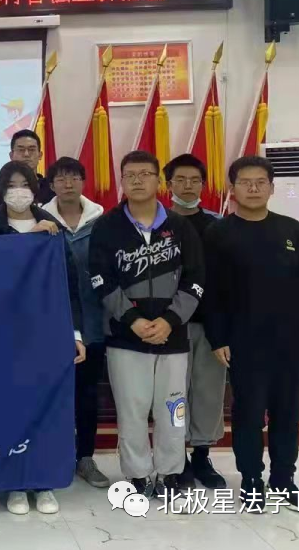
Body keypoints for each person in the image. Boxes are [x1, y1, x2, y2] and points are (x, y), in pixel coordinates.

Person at [204, 156, 299, 513]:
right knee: (248, 414)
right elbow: (211, 292)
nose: (254, 188)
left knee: (288, 414)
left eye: (261, 182)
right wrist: (217, 337)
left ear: (272, 188)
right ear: (232, 189)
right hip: (244, 342)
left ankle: (284, 479)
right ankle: (251, 481)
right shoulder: (219, 234)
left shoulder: (292, 230)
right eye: (245, 182)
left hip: (292, 341)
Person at [88, 151, 204, 499]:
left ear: (159, 181)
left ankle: (170, 472)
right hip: (125, 337)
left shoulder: (180, 227)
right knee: (132, 409)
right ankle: (137, 473)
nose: (137, 180)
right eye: (130, 175)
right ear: (122, 181)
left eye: (145, 174)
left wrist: (170, 320)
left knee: (173, 409)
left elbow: (196, 279)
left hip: (173, 336)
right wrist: (133, 320)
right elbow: (100, 280)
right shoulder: (107, 226)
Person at [0, 160, 86, 515]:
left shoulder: (52, 228)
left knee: (45, 407)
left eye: (24, 184)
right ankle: (14, 483)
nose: (18, 191)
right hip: (3, 334)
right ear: (0, 189)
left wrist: (74, 333)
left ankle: (43, 481)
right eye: (11, 185)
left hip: (45, 332)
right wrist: (26, 241)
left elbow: (69, 285)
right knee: (8, 408)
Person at [41, 157, 111, 490]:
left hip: (94, 322)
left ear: (84, 182)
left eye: (74, 177)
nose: (67, 184)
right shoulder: (40, 220)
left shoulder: (102, 221)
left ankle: (85, 456)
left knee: (87, 392)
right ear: (51, 185)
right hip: (51, 322)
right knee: (52, 394)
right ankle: (54, 455)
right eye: (61, 178)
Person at [163, 154, 227, 489]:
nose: (188, 186)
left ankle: (202, 455)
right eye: (181, 180)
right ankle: (178, 458)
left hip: (209, 323)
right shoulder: (158, 223)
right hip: (170, 324)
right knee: (174, 393)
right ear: (168, 184)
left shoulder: (218, 225)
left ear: (204, 184)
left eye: (195, 180)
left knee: (207, 391)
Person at [0, 130, 54, 214]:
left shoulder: (52, 188)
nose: (26, 154)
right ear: (11, 155)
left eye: (31, 149)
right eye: (21, 150)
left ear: (40, 155)